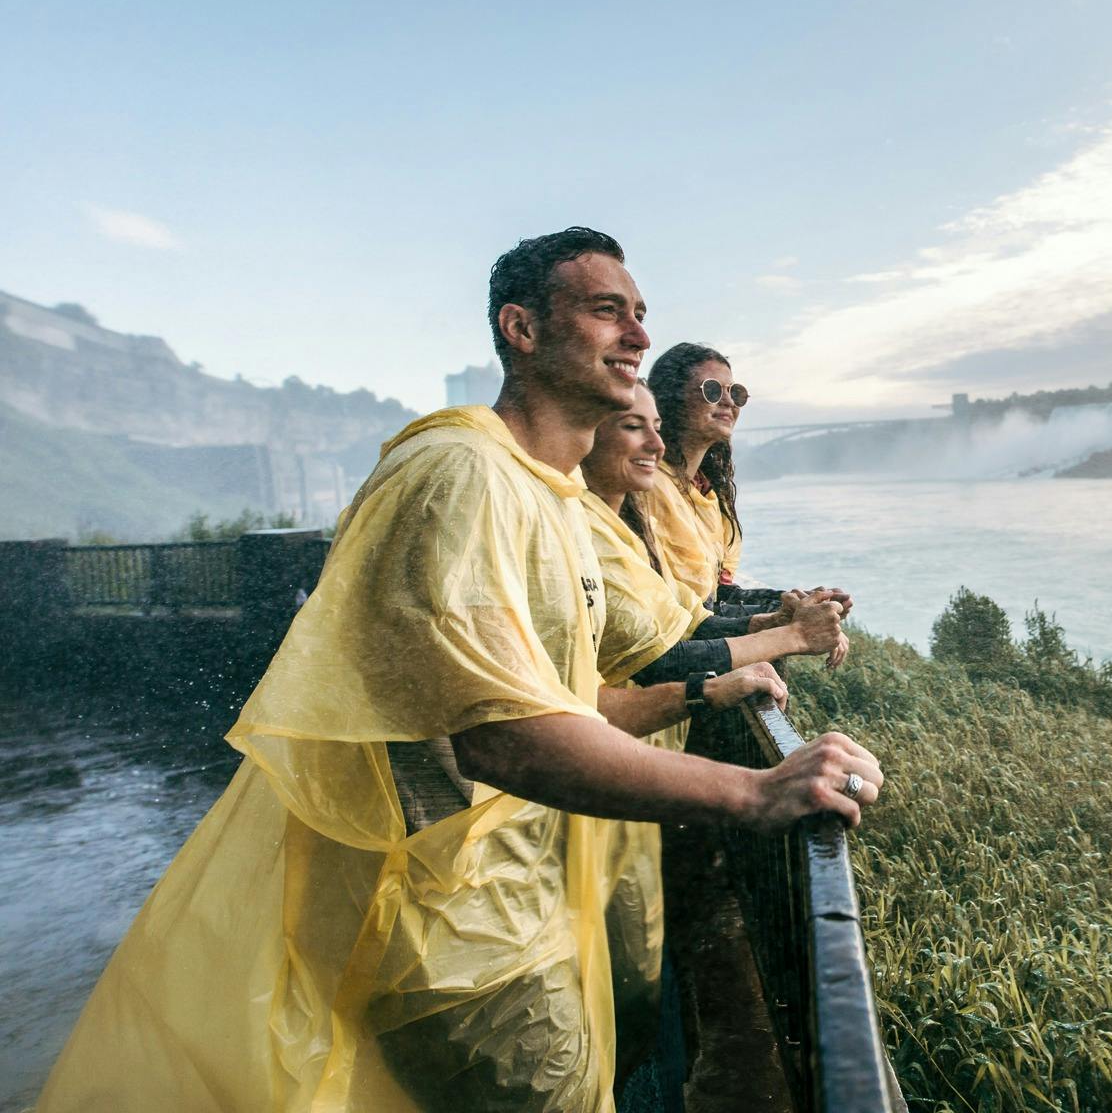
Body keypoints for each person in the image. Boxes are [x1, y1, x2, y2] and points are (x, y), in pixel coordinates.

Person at [34, 227, 883, 1113]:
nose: (637, 336)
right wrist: (753, 792)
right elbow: (505, 740)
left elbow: (573, 698)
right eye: (606, 311)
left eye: (640, 316)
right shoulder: (461, 475)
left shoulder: (545, 494)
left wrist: (719, 680)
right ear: (520, 329)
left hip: (522, 900)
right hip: (454, 930)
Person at [576, 382, 846, 1080]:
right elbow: (660, 655)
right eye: (633, 426)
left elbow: (686, 620)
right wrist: (784, 635)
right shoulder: (587, 526)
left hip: (632, 770)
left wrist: (771, 625)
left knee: (634, 972)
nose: (656, 445)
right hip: (606, 780)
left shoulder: (618, 523)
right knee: (617, 985)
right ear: (584, 432)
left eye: (740, 392)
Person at [645, 342, 853, 666]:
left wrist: (799, 605)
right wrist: (788, 625)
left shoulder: (708, 494)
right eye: (712, 390)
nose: (728, 401)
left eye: (736, 393)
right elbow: (678, 622)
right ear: (671, 399)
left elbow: (716, 601)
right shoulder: (650, 489)